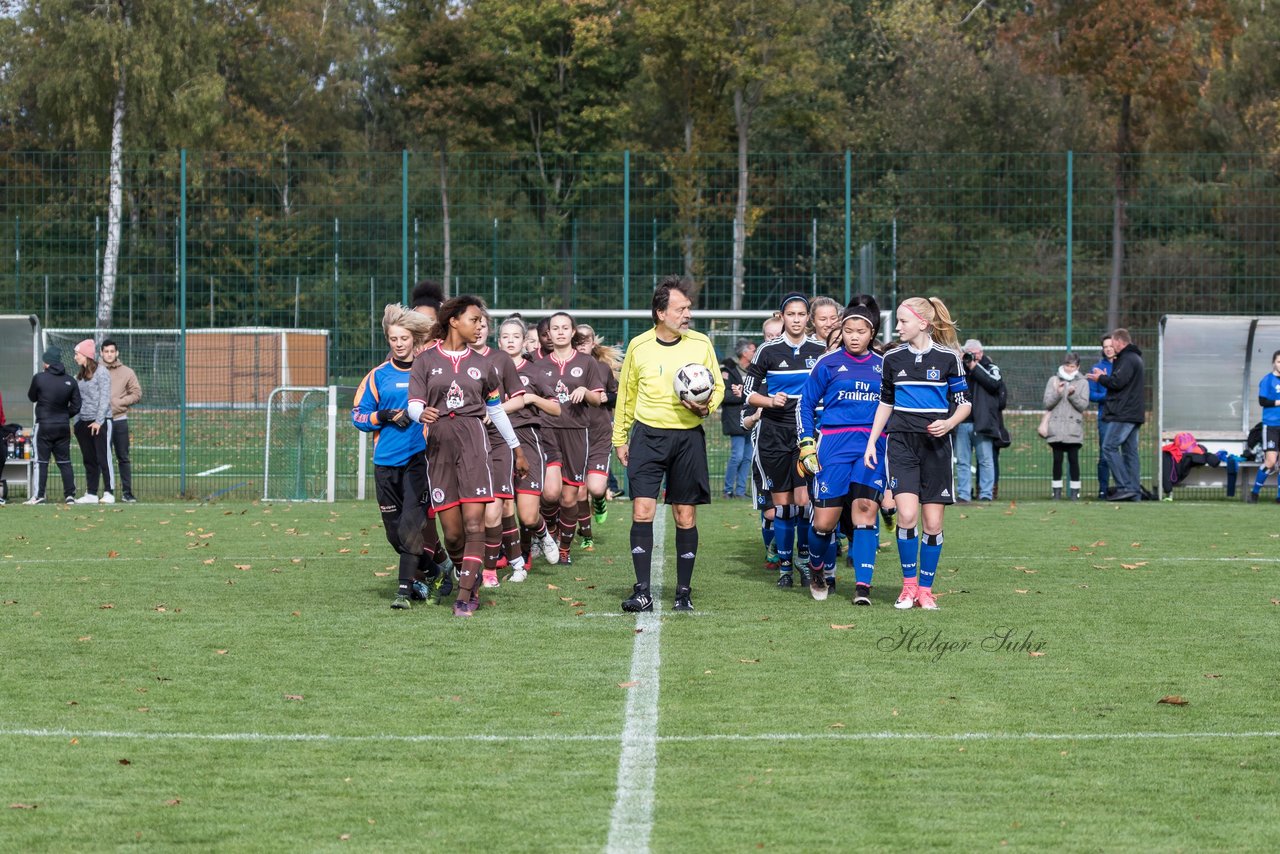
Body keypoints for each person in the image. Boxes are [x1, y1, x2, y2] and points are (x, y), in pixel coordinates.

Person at [408, 295, 528, 617]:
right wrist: (421, 414)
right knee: (453, 534)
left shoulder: (484, 364)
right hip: (440, 447)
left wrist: (516, 448)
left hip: (474, 443)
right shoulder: (425, 360)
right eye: (474, 320)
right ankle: (469, 578)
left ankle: (465, 596)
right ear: (454, 321)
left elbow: (495, 409)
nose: (479, 326)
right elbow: (414, 402)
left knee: (475, 524)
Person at [612, 276, 724, 613]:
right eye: (681, 309)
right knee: (641, 510)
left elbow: (716, 387)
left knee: (685, 515)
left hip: (688, 438)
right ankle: (642, 591)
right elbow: (627, 394)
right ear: (661, 313)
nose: (688, 314)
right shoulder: (639, 346)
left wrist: (706, 407)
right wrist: (620, 437)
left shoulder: (701, 344)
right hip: (648, 436)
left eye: (688, 308)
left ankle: (683, 592)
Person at [865, 297, 970, 611]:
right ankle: (908, 587)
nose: (897, 327)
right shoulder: (892, 359)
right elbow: (886, 403)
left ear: (923, 323)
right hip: (901, 444)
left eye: (903, 321)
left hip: (936, 448)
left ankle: (926, 589)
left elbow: (964, 403)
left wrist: (948, 422)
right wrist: (873, 441)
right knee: (907, 516)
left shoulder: (949, 358)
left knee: (933, 523)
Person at [797, 305, 886, 604]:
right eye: (848, 331)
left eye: (860, 332)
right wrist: (807, 443)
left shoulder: (884, 365)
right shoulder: (828, 363)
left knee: (864, 510)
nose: (854, 337)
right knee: (824, 523)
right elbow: (805, 404)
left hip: (871, 444)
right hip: (833, 444)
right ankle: (817, 568)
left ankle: (863, 587)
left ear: (872, 333)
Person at [352, 304, 436, 609]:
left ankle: (404, 592)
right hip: (385, 464)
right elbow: (358, 416)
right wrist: (383, 416)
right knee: (394, 534)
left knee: (410, 528)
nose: (398, 344)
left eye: (403, 338)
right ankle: (436, 570)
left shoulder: (426, 371)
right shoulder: (377, 376)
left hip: (418, 460)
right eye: (393, 339)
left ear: (414, 339)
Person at [745, 292, 825, 589]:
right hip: (773, 433)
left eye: (801, 314)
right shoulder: (767, 350)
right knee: (783, 505)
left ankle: (804, 559)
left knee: (804, 501)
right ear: (782, 317)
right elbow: (747, 393)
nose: (795, 319)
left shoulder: (820, 349)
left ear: (808, 318)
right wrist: (768, 400)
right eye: (790, 314)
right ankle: (785, 567)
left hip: (806, 432)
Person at [496, 315, 563, 576]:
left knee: (527, 515)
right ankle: (512, 561)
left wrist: (530, 398)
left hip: (527, 440)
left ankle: (543, 533)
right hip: (496, 440)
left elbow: (556, 409)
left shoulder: (534, 372)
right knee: (501, 507)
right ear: (499, 341)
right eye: (505, 336)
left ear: (525, 342)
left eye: (516, 336)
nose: (510, 341)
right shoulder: (490, 369)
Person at [539, 311, 605, 566]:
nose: (560, 332)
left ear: (572, 331)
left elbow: (598, 399)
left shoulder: (587, 363)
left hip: (577, 432)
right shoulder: (540, 366)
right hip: (548, 432)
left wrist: (584, 391)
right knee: (551, 493)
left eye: (565, 327)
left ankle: (564, 547)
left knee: (569, 498)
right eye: (555, 328)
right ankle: (548, 532)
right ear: (549, 334)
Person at [1087, 328, 1146, 502]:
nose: (1111, 347)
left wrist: (1101, 379)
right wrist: (1108, 377)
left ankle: (1124, 486)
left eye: (1113, 343)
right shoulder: (1135, 358)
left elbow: (1117, 383)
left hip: (1124, 413)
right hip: (1134, 412)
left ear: (1120, 342)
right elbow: (1122, 381)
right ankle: (1134, 492)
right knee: (1130, 452)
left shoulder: (1127, 359)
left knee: (1109, 447)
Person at [575, 323, 620, 547]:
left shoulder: (602, 368)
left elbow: (615, 394)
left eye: (587, 340)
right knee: (579, 490)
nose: (582, 344)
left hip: (600, 434)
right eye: (579, 339)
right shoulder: (565, 367)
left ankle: (600, 500)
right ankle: (586, 535)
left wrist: (606, 398)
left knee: (595, 487)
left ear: (594, 343)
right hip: (574, 434)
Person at [26, 346, 81, 504]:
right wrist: (64, 415)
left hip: (44, 425)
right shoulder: (70, 380)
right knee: (64, 462)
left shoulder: (39, 378)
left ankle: (39, 495)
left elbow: (32, 397)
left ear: (46, 363)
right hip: (63, 426)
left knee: (41, 462)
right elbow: (77, 406)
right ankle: (70, 496)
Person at [953, 338, 1005, 502]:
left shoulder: (990, 367)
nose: (971, 357)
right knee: (962, 461)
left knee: (986, 460)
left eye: (975, 354)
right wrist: (960, 362)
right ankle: (963, 494)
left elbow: (994, 384)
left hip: (983, 422)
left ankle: (986, 494)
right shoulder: (959, 368)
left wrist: (975, 367)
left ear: (981, 353)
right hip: (962, 422)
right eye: (969, 354)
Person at [1041, 353, 1089, 500]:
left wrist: (1072, 394)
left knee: (1073, 460)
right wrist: (1058, 393)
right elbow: (1047, 403)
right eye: (1067, 365)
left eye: (1072, 366)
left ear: (1078, 367)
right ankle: (1056, 491)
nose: (1069, 369)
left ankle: (1075, 492)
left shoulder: (1083, 382)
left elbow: (1083, 405)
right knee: (1057, 460)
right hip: (1056, 427)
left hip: (1073, 428)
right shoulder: (1053, 380)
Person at [72, 339, 114, 504]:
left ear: (86, 355)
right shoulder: (79, 375)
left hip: (100, 423)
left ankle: (109, 492)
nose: (75, 357)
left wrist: (98, 421)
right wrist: (77, 423)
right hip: (83, 422)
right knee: (88, 458)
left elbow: (104, 397)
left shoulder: (102, 372)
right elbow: (77, 399)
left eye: (77, 354)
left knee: (103, 457)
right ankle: (91, 493)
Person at [99, 339, 142, 503]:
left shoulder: (127, 372)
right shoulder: (93, 370)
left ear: (117, 353)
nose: (109, 354)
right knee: (102, 458)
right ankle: (105, 492)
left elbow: (137, 394)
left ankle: (127, 492)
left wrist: (119, 402)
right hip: (100, 421)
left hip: (119, 420)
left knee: (123, 457)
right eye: (106, 351)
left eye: (112, 351)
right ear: (101, 353)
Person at [720, 337, 754, 499]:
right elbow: (724, 396)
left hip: (752, 417)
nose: (755, 353)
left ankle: (740, 491)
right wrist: (746, 396)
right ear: (745, 353)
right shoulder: (728, 370)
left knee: (748, 457)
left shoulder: (755, 371)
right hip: (735, 420)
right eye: (753, 350)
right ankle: (727, 490)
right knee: (737, 456)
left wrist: (743, 393)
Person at [1246, 349, 1280, 503]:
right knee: (1271, 461)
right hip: (1271, 426)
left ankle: (1279, 497)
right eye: (1279, 361)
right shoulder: (1267, 380)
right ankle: (1255, 492)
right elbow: (1262, 401)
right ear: (1274, 362)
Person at [1088, 335, 1115, 498]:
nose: (1108, 349)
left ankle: (1124, 488)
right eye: (1105, 346)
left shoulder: (1123, 366)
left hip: (1122, 416)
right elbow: (1092, 394)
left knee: (1124, 454)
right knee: (1104, 455)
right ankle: (1103, 490)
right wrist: (1108, 396)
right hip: (1105, 416)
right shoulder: (1097, 368)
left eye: (1110, 345)